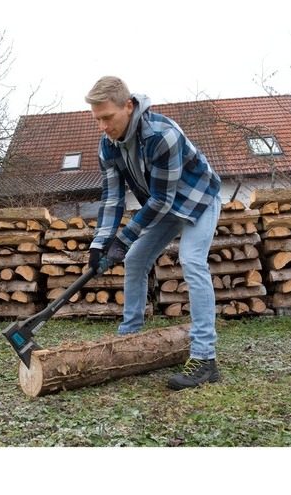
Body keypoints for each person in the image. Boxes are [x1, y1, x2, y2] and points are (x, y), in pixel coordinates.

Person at [84, 76, 223, 390]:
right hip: (166, 205)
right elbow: (112, 198)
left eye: (108, 117)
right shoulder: (107, 146)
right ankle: (129, 340)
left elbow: (161, 199)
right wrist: (100, 244)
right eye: (97, 120)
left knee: (191, 260)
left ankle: (205, 358)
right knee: (134, 260)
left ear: (128, 106)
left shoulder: (161, 135)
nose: (103, 126)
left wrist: (123, 239)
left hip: (200, 198)